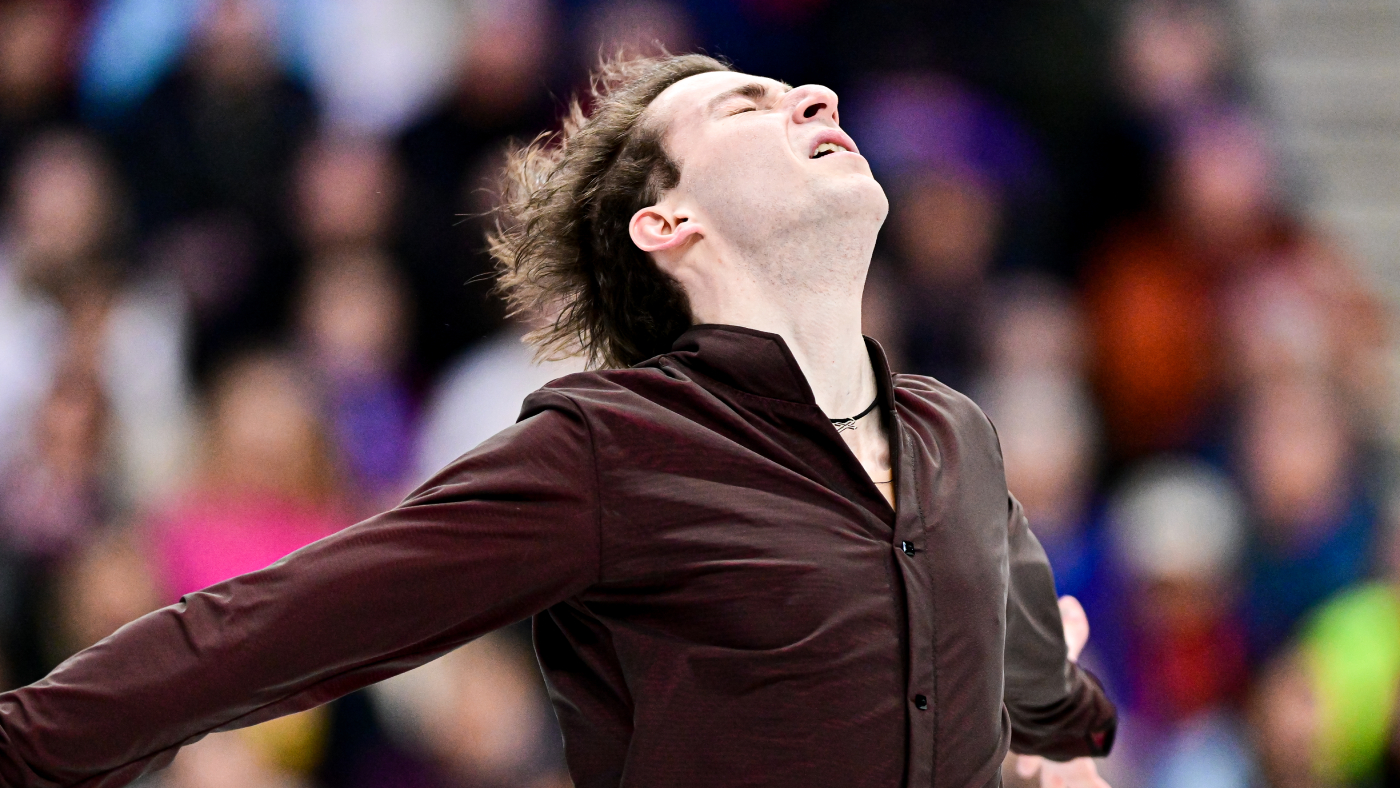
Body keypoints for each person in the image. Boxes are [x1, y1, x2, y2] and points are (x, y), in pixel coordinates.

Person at [0, 54, 1116, 788]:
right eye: (746, 104)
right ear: (667, 221)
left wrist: (1056, 747)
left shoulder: (957, 437)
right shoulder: (616, 448)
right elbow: (272, 629)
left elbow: (1047, 692)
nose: (815, 98)